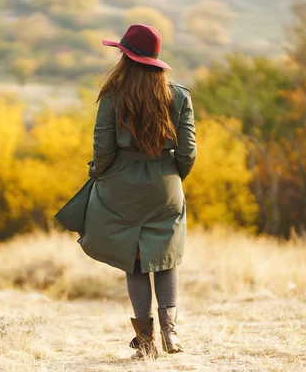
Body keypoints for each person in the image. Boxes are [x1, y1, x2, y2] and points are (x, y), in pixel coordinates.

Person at [78, 24, 197, 359]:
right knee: (166, 257)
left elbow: (102, 150)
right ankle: (171, 336)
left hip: (123, 185)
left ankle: (146, 344)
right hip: (166, 183)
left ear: (126, 58)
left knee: (136, 263)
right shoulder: (180, 96)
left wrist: (98, 175)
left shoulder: (113, 97)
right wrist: (172, 177)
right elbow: (188, 152)